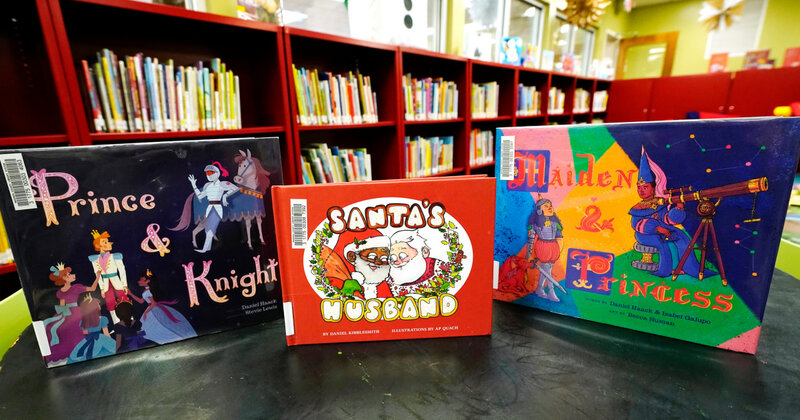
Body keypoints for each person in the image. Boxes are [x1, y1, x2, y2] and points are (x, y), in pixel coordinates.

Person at [629, 147, 710, 278]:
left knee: (682, 239)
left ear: (654, 188)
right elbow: (636, 224)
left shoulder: (660, 202)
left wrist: (679, 208)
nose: (641, 191)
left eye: (645, 187)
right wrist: (657, 228)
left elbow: (668, 219)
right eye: (639, 188)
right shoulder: (637, 207)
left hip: (665, 230)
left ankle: (685, 268)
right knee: (664, 244)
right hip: (645, 234)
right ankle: (667, 270)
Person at [42, 263, 100, 366]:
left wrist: (98, 277)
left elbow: (92, 289)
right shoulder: (62, 291)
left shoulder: (76, 287)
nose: (73, 275)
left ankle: (84, 350)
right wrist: (61, 316)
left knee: (80, 328)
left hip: (76, 312)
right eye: (69, 275)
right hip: (69, 313)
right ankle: (74, 351)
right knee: (69, 330)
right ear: (64, 278)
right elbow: (62, 305)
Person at [129, 270, 197, 344]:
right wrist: (130, 294)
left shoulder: (148, 291)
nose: (139, 281)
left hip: (153, 310)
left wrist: (146, 313)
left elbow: (153, 303)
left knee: (151, 326)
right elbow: (141, 301)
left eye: (141, 280)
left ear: (147, 281)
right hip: (152, 309)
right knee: (147, 327)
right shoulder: (146, 291)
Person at [188, 162, 239, 253]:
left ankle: (205, 249)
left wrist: (225, 196)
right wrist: (193, 184)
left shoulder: (222, 184)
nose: (209, 175)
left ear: (217, 173)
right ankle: (207, 248)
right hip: (209, 208)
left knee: (210, 229)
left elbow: (235, 188)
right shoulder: (208, 186)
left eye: (211, 173)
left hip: (217, 208)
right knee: (208, 229)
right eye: (207, 173)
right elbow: (200, 196)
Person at [527, 196, 565, 302]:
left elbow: (559, 237)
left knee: (546, 269)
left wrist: (558, 250)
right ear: (539, 210)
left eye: (550, 206)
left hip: (553, 247)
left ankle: (540, 289)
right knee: (547, 269)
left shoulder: (555, 223)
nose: (550, 208)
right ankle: (551, 291)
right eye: (546, 206)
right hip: (543, 247)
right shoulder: (535, 224)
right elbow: (530, 239)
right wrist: (529, 255)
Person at [88, 230, 129, 324]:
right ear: (99, 245)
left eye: (107, 241)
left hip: (117, 281)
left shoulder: (115, 256)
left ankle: (129, 320)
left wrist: (124, 285)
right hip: (106, 284)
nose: (109, 243)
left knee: (123, 300)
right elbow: (97, 274)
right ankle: (117, 323)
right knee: (110, 303)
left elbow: (122, 270)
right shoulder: (95, 259)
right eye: (105, 242)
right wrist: (102, 288)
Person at [387, 230, 445, 296]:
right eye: (392, 258)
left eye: (403, 256)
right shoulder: (388, 282)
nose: (398, 262)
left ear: (425, 252)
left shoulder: (440, 269)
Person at [68, 292, 116, 363]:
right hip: (101, 338)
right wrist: (110, 342)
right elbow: (106, 334)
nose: (99, 306)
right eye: (98, 304)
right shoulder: (102, 319)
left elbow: (85, 334)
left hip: (88, 340)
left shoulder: (83, 321)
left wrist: (88, 339)